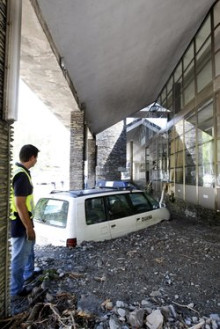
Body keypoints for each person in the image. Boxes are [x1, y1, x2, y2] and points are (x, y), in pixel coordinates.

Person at [10, 144, 40, 297]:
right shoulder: (21, 176)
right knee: (19, 257)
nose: (36, 161)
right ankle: (16, 290)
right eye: (36, 158)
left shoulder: (21, 172)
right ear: (32, 157)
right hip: (21, 223)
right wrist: (29, 227)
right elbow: (19, 203)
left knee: (29, 249)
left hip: (23, 220)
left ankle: (29, 273)